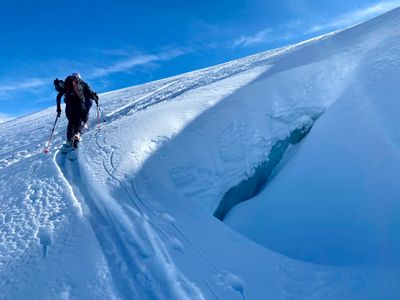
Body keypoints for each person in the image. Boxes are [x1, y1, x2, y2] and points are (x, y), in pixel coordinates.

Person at [55, 72, 99, 148]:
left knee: (71, 122)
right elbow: (90, 94)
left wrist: (59, 109)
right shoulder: (83, 83)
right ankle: (77, 135)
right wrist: (96, 98)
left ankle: (69, 139)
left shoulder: (66, 83)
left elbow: (58, 97)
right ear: (79, 78)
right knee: (79, 120)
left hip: (69, 106)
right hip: (79, 104)